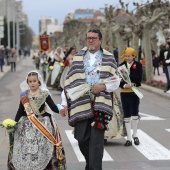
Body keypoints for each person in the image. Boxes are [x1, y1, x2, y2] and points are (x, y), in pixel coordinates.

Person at [60, 29, 120, 170]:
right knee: (81, 138)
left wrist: (103, 87)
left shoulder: (109, 57)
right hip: (80, 103)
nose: (91, 40)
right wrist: (64, 103)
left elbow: (116, 80)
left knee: (97, 142)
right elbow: (70, 81)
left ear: (100, 40)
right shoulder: (78, 57)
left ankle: (94, 167)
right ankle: (90, 164)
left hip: (101, 104)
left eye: (94, 38)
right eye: (88, 38)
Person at [8, 71, 66, 170]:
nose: (32, 83)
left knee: (42, 148)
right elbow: (20, 111)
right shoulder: (24, 95)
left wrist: (60, 110)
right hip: (26, 124)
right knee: (26, 148)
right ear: (27, 83)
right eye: (30, 81)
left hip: (42, 123)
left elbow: (52, 107)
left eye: (34, 81)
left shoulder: (44, 94)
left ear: (39, 82)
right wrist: (15, 123)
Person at [119, 47, 142, 147]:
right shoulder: (121, 66)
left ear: (134, 56)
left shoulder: (138, 65)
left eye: (129, 56)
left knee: (135, 113)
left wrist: (128, 77)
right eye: (126, 56)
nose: (127, 58)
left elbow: (138, 79)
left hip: (135, 92)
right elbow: (118, 80)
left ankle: (135, 135)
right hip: (124, 92)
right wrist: (124, 85)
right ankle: (128, 138)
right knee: (126, 114)